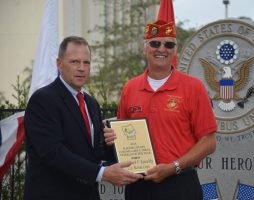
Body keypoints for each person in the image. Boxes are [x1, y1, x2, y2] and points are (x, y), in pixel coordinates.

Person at [104, 20, 218, 200]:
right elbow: (122, 135)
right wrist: (112, 137)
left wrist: (174, 166)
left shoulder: (193, 87)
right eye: (155, 43)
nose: (161, 49)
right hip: (138, 185)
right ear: (145, 48)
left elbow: (209, 142)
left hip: (180, 183)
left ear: (175, 50)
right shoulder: (130, 88)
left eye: (168, 44)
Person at [23, 36, 143, 200]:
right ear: (59, 64)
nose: (81, 68)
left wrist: (112, 143)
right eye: (74, 62)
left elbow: (94, 152)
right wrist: (102, 173)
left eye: (86, 63)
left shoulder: (91, 103)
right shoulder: (43, 100)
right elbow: (53, 153)